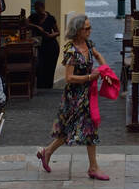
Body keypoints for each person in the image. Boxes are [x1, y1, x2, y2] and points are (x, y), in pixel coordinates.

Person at [37, 15, 109, 180]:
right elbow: (69, 78)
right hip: (74, 97)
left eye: (90, 27)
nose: (90, 31)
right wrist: (90, 77)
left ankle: (92, 166)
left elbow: (97, 56)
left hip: (87, 95)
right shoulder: (71, 51)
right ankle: (48, 152)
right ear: (78, 31)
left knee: (89, 128)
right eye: (87, 28)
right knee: (69, 129)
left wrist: (105, 69)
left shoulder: (89, 45)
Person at [29, 0, 60, 89]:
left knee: (50, 67)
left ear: (43, 8)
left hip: (51, 46)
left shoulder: (50, 18)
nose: (37, 12)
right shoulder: (34, 17)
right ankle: (40, 86)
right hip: (40, 46)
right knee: (40, 66)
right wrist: (36, 27)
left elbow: (57, 32)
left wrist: (50, 35)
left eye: (38, 9)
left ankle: (48, 87)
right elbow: (26, 23)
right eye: (36, 9)